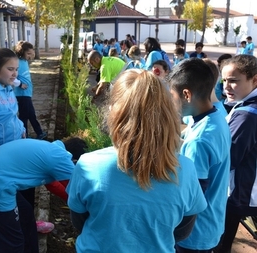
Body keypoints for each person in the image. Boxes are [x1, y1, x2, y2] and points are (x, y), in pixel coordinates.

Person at [67, 69, 207, 252]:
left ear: (112, 112)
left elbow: (79, 220)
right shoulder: (186, 168)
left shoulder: (87, 165)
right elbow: (182, 231)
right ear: (168, 114)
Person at [0, 138, 87, 253]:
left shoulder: (49, 149)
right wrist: (87, 211)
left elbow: (53, 185)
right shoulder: (61, 158)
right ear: (75, 160)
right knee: (12, 242)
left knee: (25, 214)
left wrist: (70, 200)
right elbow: (78, 190)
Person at [167, 58, 231, 253]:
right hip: (212, 222)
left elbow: (192, 195)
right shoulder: (217, 118)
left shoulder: (199, 141)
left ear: (186, 94)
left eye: (172, 96)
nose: (171, 102)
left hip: (193, 234)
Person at [214, 54, 257, 253]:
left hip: (242, 191)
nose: (227, 86)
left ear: (254, 80)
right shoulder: (244, 107)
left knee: (222, 241)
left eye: (234, 81)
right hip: (249, 189)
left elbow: (228, 158)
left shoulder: (247, 115)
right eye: (224, 81)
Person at [13, 41, 47, 140]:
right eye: (28, 54)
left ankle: (31, 134)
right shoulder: (17, 62)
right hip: (22, 94)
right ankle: (30, 135)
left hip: (27, 93)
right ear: (21, 52)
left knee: (28, 115)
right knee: (26, 116)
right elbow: (11, 77)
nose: (30, 56)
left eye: (31, 53)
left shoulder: (24, 62)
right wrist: (19, 84)